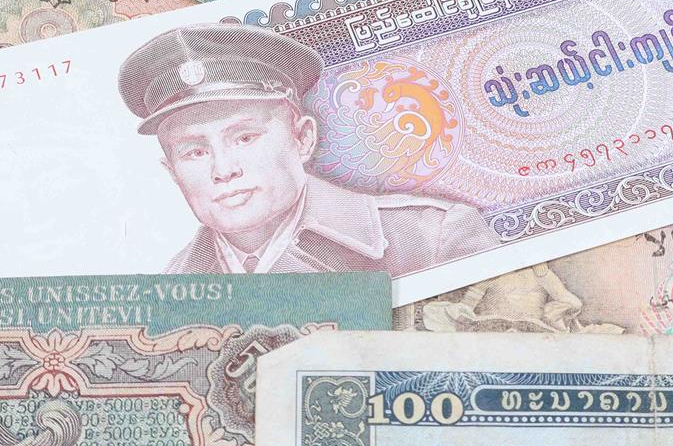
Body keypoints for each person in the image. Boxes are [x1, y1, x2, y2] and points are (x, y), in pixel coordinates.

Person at [118, 23, 499, 274]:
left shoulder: (432, 238)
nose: (223, 169)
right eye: (195, 152)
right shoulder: (172, 284)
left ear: (303, 139)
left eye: (245, 138)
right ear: (172, 172)